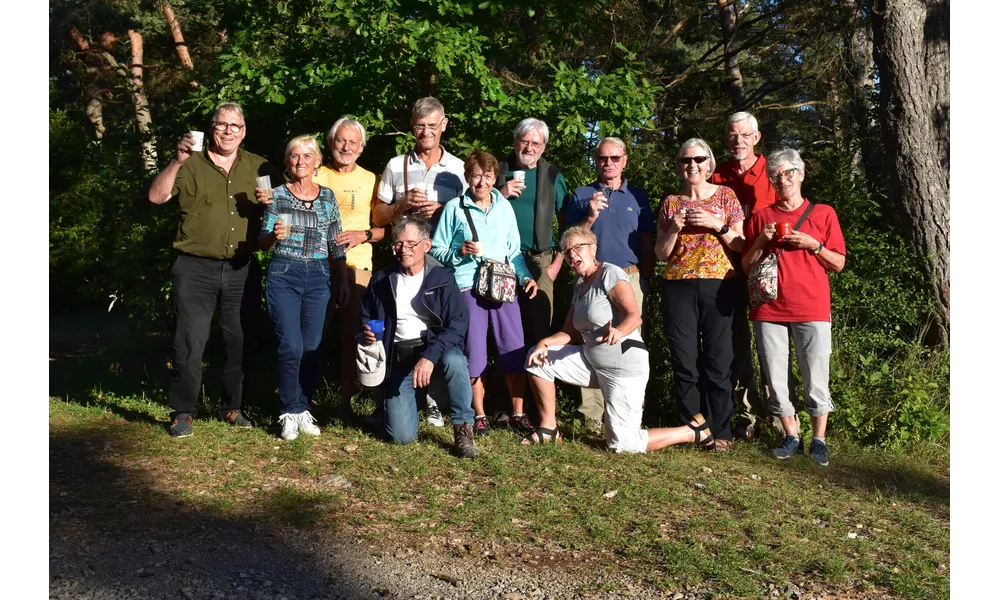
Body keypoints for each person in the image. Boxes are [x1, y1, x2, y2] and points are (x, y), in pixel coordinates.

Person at [148, 101, 282, 438]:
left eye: (234, 126)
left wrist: (272, 206)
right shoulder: (189, 161)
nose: (227, 131)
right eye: (221, 124)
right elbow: (156, 197)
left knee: (238, 339)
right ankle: (183, 412)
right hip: (194, 266)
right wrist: (176, 161)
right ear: (211, 128)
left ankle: (232, 408)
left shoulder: (260, 165)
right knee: (190, 341)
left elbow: (284, 206)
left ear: (244, 131)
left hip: (242, 266)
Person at [523, 227, 714, 452]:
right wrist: (544, 344)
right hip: (592, 361)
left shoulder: (609, 273)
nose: (572, 255)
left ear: (593, 248)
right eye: (567, 251)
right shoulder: (580, 286)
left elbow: (635, 316)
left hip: (623, 366)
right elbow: (569, 333)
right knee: (536, 359)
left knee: (622, 444)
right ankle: (549, 430)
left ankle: (692, 431)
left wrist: (619, 331)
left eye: (577, 247)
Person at [742, 148, 846, 466]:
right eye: (776, 175)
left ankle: (819, 440)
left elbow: (839, 263)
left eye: (789, 173)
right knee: (775, 377)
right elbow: (747, 265)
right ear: (771, 181)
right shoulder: (761, 217)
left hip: (812, 305)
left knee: (816, 377)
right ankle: (790, 434)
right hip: (769, 308)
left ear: (801, 174)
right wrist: (761, 240)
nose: (783, 180)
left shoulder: (823, 213)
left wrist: (813, 245)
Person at [372, 97, 468, 426]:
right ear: (412, 127)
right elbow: (378, 214)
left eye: (432, 125)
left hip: (443, 261)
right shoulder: (396, 164)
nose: (425, 131)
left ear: (444, 125)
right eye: (419, 126)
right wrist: (401, 205)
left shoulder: (458, 168)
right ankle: (393, 397)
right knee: (403, 320)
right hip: (404, 258)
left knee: (441, 324)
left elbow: (469, 215)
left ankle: (440, 400)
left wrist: (441, 211)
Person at [431, 151, 539, 436]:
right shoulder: (455, 207)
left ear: (495, 179)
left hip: (503, 287)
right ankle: (478, 415)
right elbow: (436, 249)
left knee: (514, 349)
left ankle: (517, 413)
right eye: (476, 175)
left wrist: (526, 277)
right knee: (474, 352)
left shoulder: (505, 208)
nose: (482, 182)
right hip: (469, 285)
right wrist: (459, 251)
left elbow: (513, 251)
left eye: (488, 176)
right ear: (468, 177)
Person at [359, 216, 479, 458]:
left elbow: (458, 324)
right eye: (399, 244)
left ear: (426, 245)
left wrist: (430, 356)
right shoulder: (382, 279)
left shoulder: (442, 277)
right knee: (401, 438)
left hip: (436, 350)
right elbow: (365, 313)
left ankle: (463, 428)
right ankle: (397, 405)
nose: (404, 250)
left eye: (411, 244)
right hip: (399, 356)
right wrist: (365, 329)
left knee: (456, 360)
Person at [654, 138, 746, 452]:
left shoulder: (726, 196)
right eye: (685, 160)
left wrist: (716, 224)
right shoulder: (670, 202)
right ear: (679, 166)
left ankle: (721, 431)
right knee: (684, 358)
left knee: (719, 359)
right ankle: (693, 428)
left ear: (709, 163)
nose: (692, 165)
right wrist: (674, 228)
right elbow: (661, 254)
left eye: (698, 159)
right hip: (678, 284)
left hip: (719, 283)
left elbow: (741, 244)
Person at [257, 135, 350, 440]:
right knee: (290, 346)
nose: (300, 162)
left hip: (320, 276)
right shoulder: (277, 195)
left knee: (311, 348)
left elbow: (336, 243)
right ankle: (287, 411)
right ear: (289, 161)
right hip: (285, 272)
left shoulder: (327, 197)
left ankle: (302, 408)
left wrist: (343, 280)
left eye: (306, 156)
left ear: (317, 162)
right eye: (294, 156)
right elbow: (262, 243)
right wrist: (274, 235)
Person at [564, 137, 654, 431]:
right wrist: (590, 215)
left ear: (625, 160)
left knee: (629, 340)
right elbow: (569, 242)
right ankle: (591, 416)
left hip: (629, 275)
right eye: (603, 158)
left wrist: (648, 274)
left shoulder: (637, 197)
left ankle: (630, 412)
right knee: (592, 339)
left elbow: (646, 239)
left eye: (615, 158)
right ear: (596, 160)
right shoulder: (580, 195)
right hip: (592, 277)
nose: (609, 163)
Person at [709, 111, 780, 441]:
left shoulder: (774, 173)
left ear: (756, 137)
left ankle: (781, 420)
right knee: (737, 347)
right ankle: (746, 417)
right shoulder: (717, 175)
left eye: (744, 135)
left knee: (773, 346)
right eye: (732, 135)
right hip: (729, 272)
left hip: (770, 272)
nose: (738, 141)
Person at [313, 117, 384, 422]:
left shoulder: (371, 179)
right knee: (310, 337)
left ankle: (347, 405)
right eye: (340, 140)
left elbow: (383, 230)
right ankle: (303, 401)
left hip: (359, 267)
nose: (345, 147)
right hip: (318, 264)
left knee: (354, 337)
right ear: (330, 143)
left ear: (362, 147)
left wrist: (362, 235)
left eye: (352, 142)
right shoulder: (316, 174)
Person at [494, 118, 569, 354]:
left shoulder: (552, 175)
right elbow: (475, 212)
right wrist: (501, 194)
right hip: (501, 261)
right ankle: (508, 392)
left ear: (543, 147)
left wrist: (557, 263)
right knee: (502, 335)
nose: (529, 148)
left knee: (539, 335)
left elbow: (568, 226)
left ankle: (537, 390)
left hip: (540, 263)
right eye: (524, 141)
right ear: (515, 142)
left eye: (535, 143)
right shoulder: (498, 171)